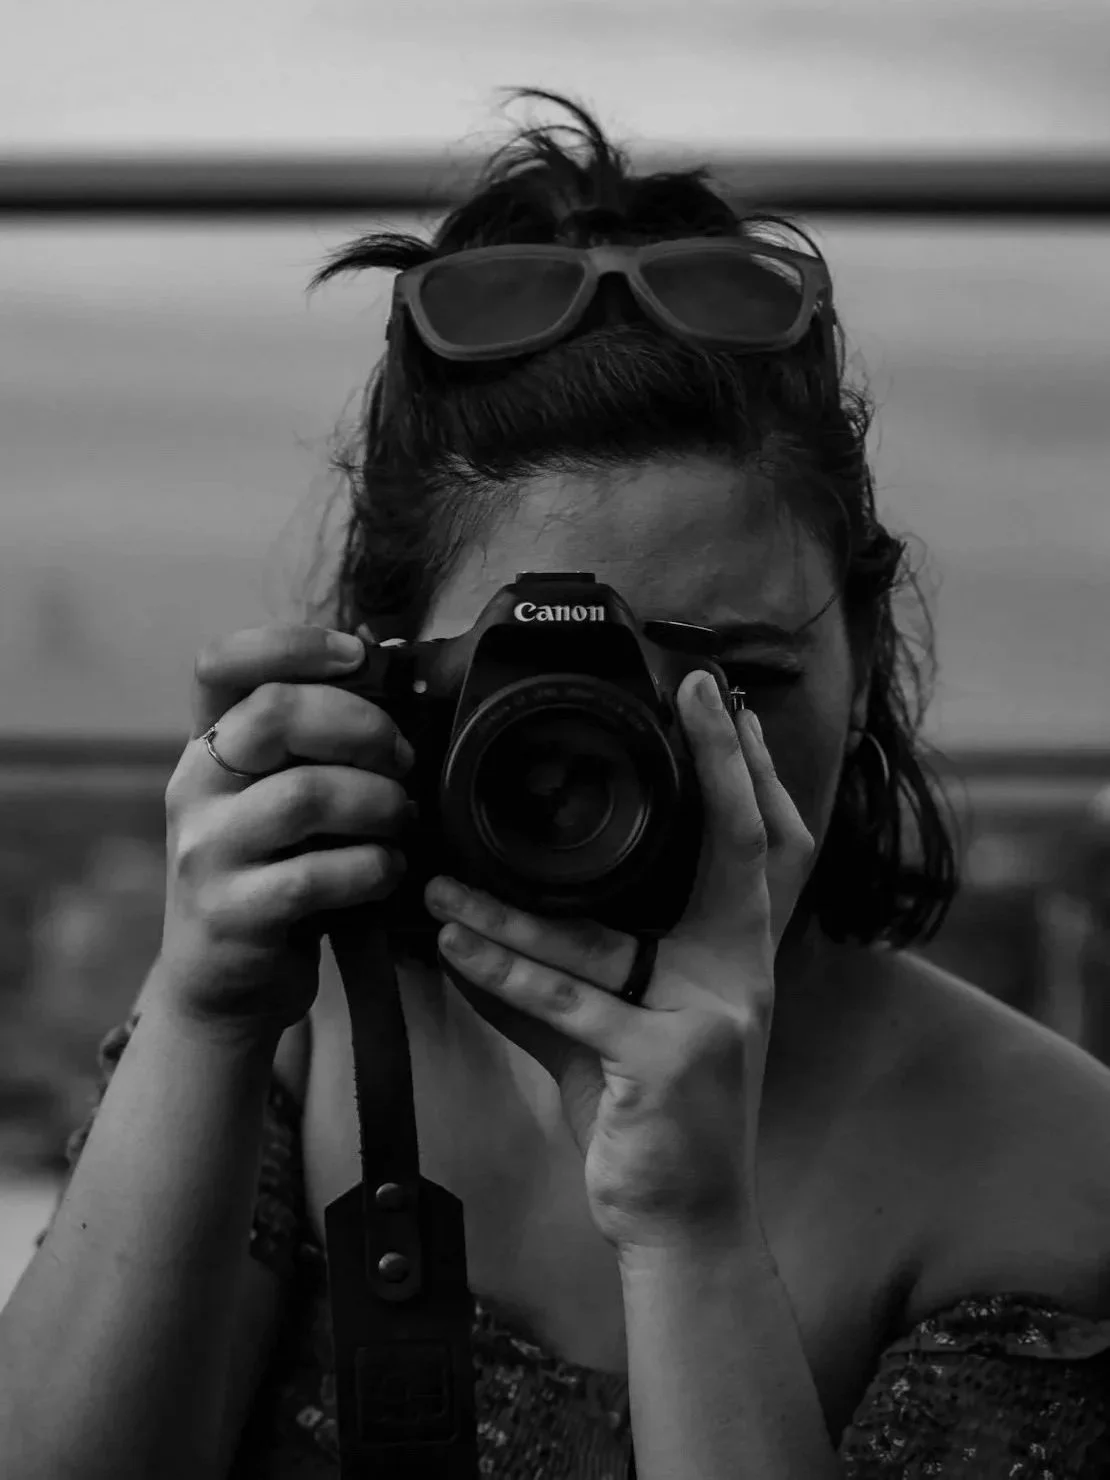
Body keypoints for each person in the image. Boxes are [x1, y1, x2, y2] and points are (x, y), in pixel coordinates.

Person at [2, 88, 1109, 1480]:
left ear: (866, 644)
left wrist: (691, 1226)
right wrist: (200, 1017)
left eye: (740, 677)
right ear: (388, 667)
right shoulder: (300, 1026)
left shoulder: (1051, 1170)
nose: (670, 755)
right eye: (553, 696)